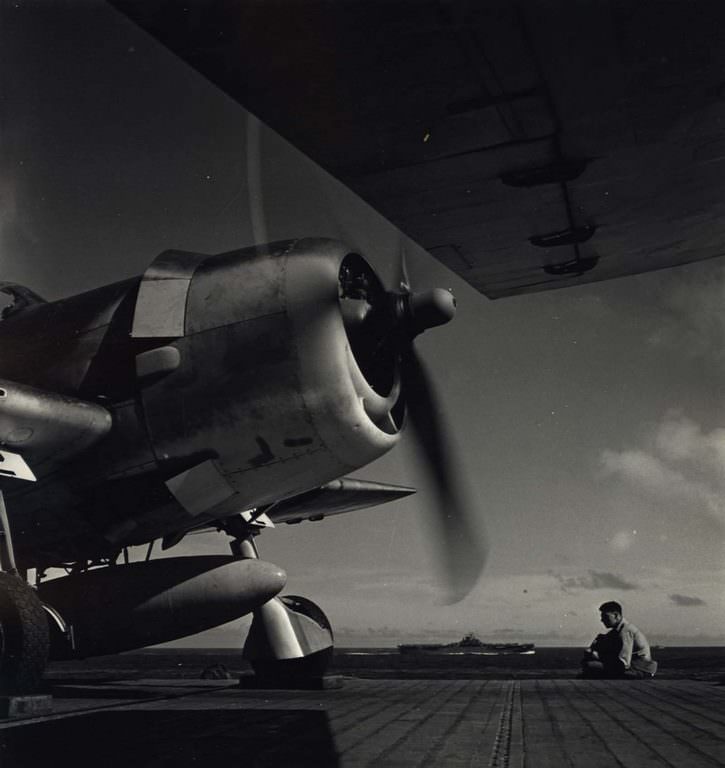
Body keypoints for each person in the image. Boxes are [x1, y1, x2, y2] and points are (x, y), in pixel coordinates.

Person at [581, 601, 657, 678]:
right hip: (636, 667)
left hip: (638, 669)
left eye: (605, 616)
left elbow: (624, 663)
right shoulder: (618, 631)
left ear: (616, 615)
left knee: (590, 666)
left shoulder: (626, 631)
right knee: (590, 666)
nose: (602, 620)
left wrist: (598, 656)